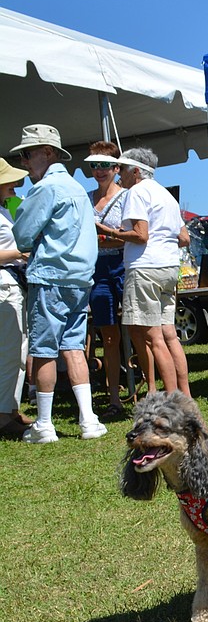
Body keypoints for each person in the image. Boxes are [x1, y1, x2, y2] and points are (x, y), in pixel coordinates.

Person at [10, 124, 107, 442]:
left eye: (27, 154)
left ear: (47, 152)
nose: (25, 161)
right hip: (80, 280)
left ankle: (44, 424)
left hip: (50, 277)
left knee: (44, 351)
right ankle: (89, 420)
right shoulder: (78, 188)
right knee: (75, 349)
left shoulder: (46, 188)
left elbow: (22, 235)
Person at [117, 147, 191, 396]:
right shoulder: (166, 194)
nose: (119, 175)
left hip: (145, 268)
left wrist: (109, 232)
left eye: (122, 170)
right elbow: (184, 237)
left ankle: (170, 399)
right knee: (169, 335)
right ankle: (184, 395)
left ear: (136, 171)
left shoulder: (137, 192)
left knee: (153, 338)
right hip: (168, 267)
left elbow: (140, 235)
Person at [85, 141, 127, 417]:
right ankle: (114, 398)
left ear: (116, 167)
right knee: (108, 335)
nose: (99, 171)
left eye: (104, 165)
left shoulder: (127, 197)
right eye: (94, 165)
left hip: (124, 264)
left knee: (140, 331)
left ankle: (148, 390)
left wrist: (105, 235)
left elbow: (131, 234)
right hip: (96, 268)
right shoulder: (86, 198)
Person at [0, 158, 32, 439]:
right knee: (11, 352)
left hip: (11, 283)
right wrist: (21, 253)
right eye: (8, 181)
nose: (14, 185)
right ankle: (4, 415)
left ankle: (9, 409)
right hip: (4, 285)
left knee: (17, 351)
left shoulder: (5, 210)